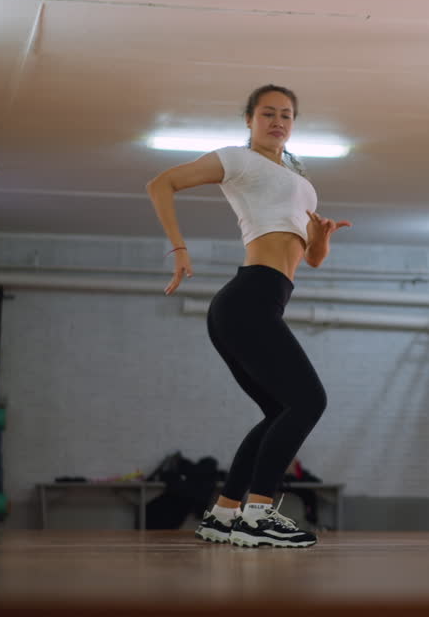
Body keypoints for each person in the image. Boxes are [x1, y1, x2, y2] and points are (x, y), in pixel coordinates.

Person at [146, 84, 350, 548]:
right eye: (267, 113)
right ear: (249, 120)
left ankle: (224, 514)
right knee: (309, 402)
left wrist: (322, 239)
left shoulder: (301, 179)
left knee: (281, 410)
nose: (278, 121)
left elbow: (310, 260)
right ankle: (258, 513)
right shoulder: (237, 161)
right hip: (248, 299)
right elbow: (161, 183)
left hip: (257, 302)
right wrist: (179, 248)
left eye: (286, 115)